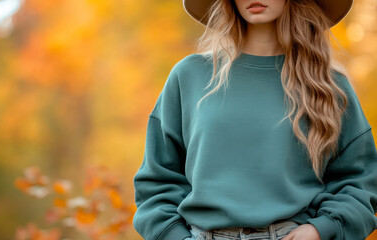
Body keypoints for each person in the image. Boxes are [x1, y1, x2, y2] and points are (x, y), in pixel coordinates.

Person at [132, 0, 377, 239]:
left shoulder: (328, 86)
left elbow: (360, 182)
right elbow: (157, 181)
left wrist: (320, 229)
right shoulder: (189, 76)